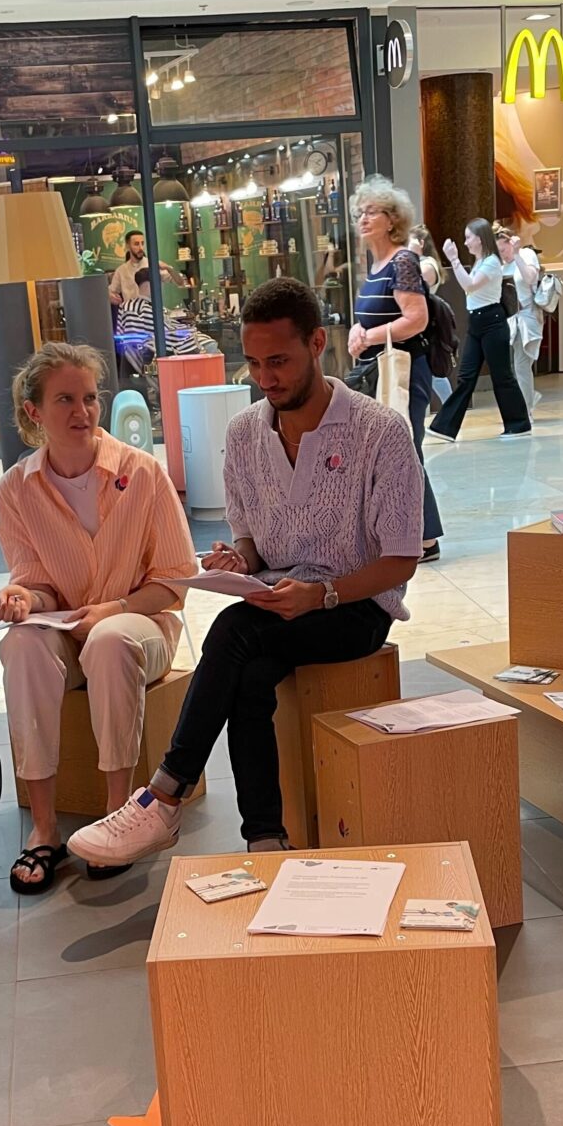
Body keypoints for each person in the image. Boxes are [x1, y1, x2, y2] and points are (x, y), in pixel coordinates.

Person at [68, 278, 423, 867]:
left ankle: (163, 794)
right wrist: (241, 561)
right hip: (277, 600)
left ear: (317, 343)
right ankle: (264, 838)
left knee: (235, 631)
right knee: (251, 674)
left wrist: (323, 594)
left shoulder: (379, 431)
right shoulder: (244, 433)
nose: (265, 378)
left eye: (279, 361)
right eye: (255, 363)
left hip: (355, 608)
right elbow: (254, 540)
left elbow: (401, 557)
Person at [0, 343, 198, 893]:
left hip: (140, 627)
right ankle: (42, 824)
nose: (82, 412)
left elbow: (177, 580)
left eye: (89, 398)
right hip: (65, 631)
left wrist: (120, 607)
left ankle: (116, 815)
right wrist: (21, 598)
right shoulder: (16, 489)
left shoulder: (144, 474)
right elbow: (35, 582)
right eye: (65, 400)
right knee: (21, 644)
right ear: (34, 412)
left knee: (108, 639)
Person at [346, 176, 444, 561]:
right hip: (379, 369)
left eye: (373, 212)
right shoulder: (376, 264)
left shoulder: (403, 260)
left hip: (403, 367)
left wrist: (368, 336)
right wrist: (358, 329)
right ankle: (406, 534)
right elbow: (372, 316)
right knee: (392, 451)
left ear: (392, 220)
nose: (364, 219)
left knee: (405, 450)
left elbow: (416, 319)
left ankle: (426, 538)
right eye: (361, 212)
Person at [428, 217, 532, 441]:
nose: (465, 243)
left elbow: (470, 285)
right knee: (466, 377)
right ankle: (444, 427)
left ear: (480, 239)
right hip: (478, 323)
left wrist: (454, 259)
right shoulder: (481, 261)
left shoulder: (492, 262)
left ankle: (519, 423)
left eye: (468, 238)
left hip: (493, 322)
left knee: (502, 376)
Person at [501, 231, 545, 415]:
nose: (502, 254)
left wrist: (517, 254)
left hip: (527, 314)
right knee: (515, 365)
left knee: (521, 363)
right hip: (510, 316)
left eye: (503, 249)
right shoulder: (499, 263)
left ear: (511, 243)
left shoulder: (526, 255)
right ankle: (527, 401)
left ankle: (526, 409)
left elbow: (530, 278)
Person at [107, 231, 185, 311]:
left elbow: (180, 282)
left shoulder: (154, 265)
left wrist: (169, 269)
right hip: (131, 317)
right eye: (136, 244)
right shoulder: (121, 271)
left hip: (154, 315)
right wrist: (110, 296)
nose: (141, 248)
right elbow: (111, 292)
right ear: (127, 246)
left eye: (142, 243)